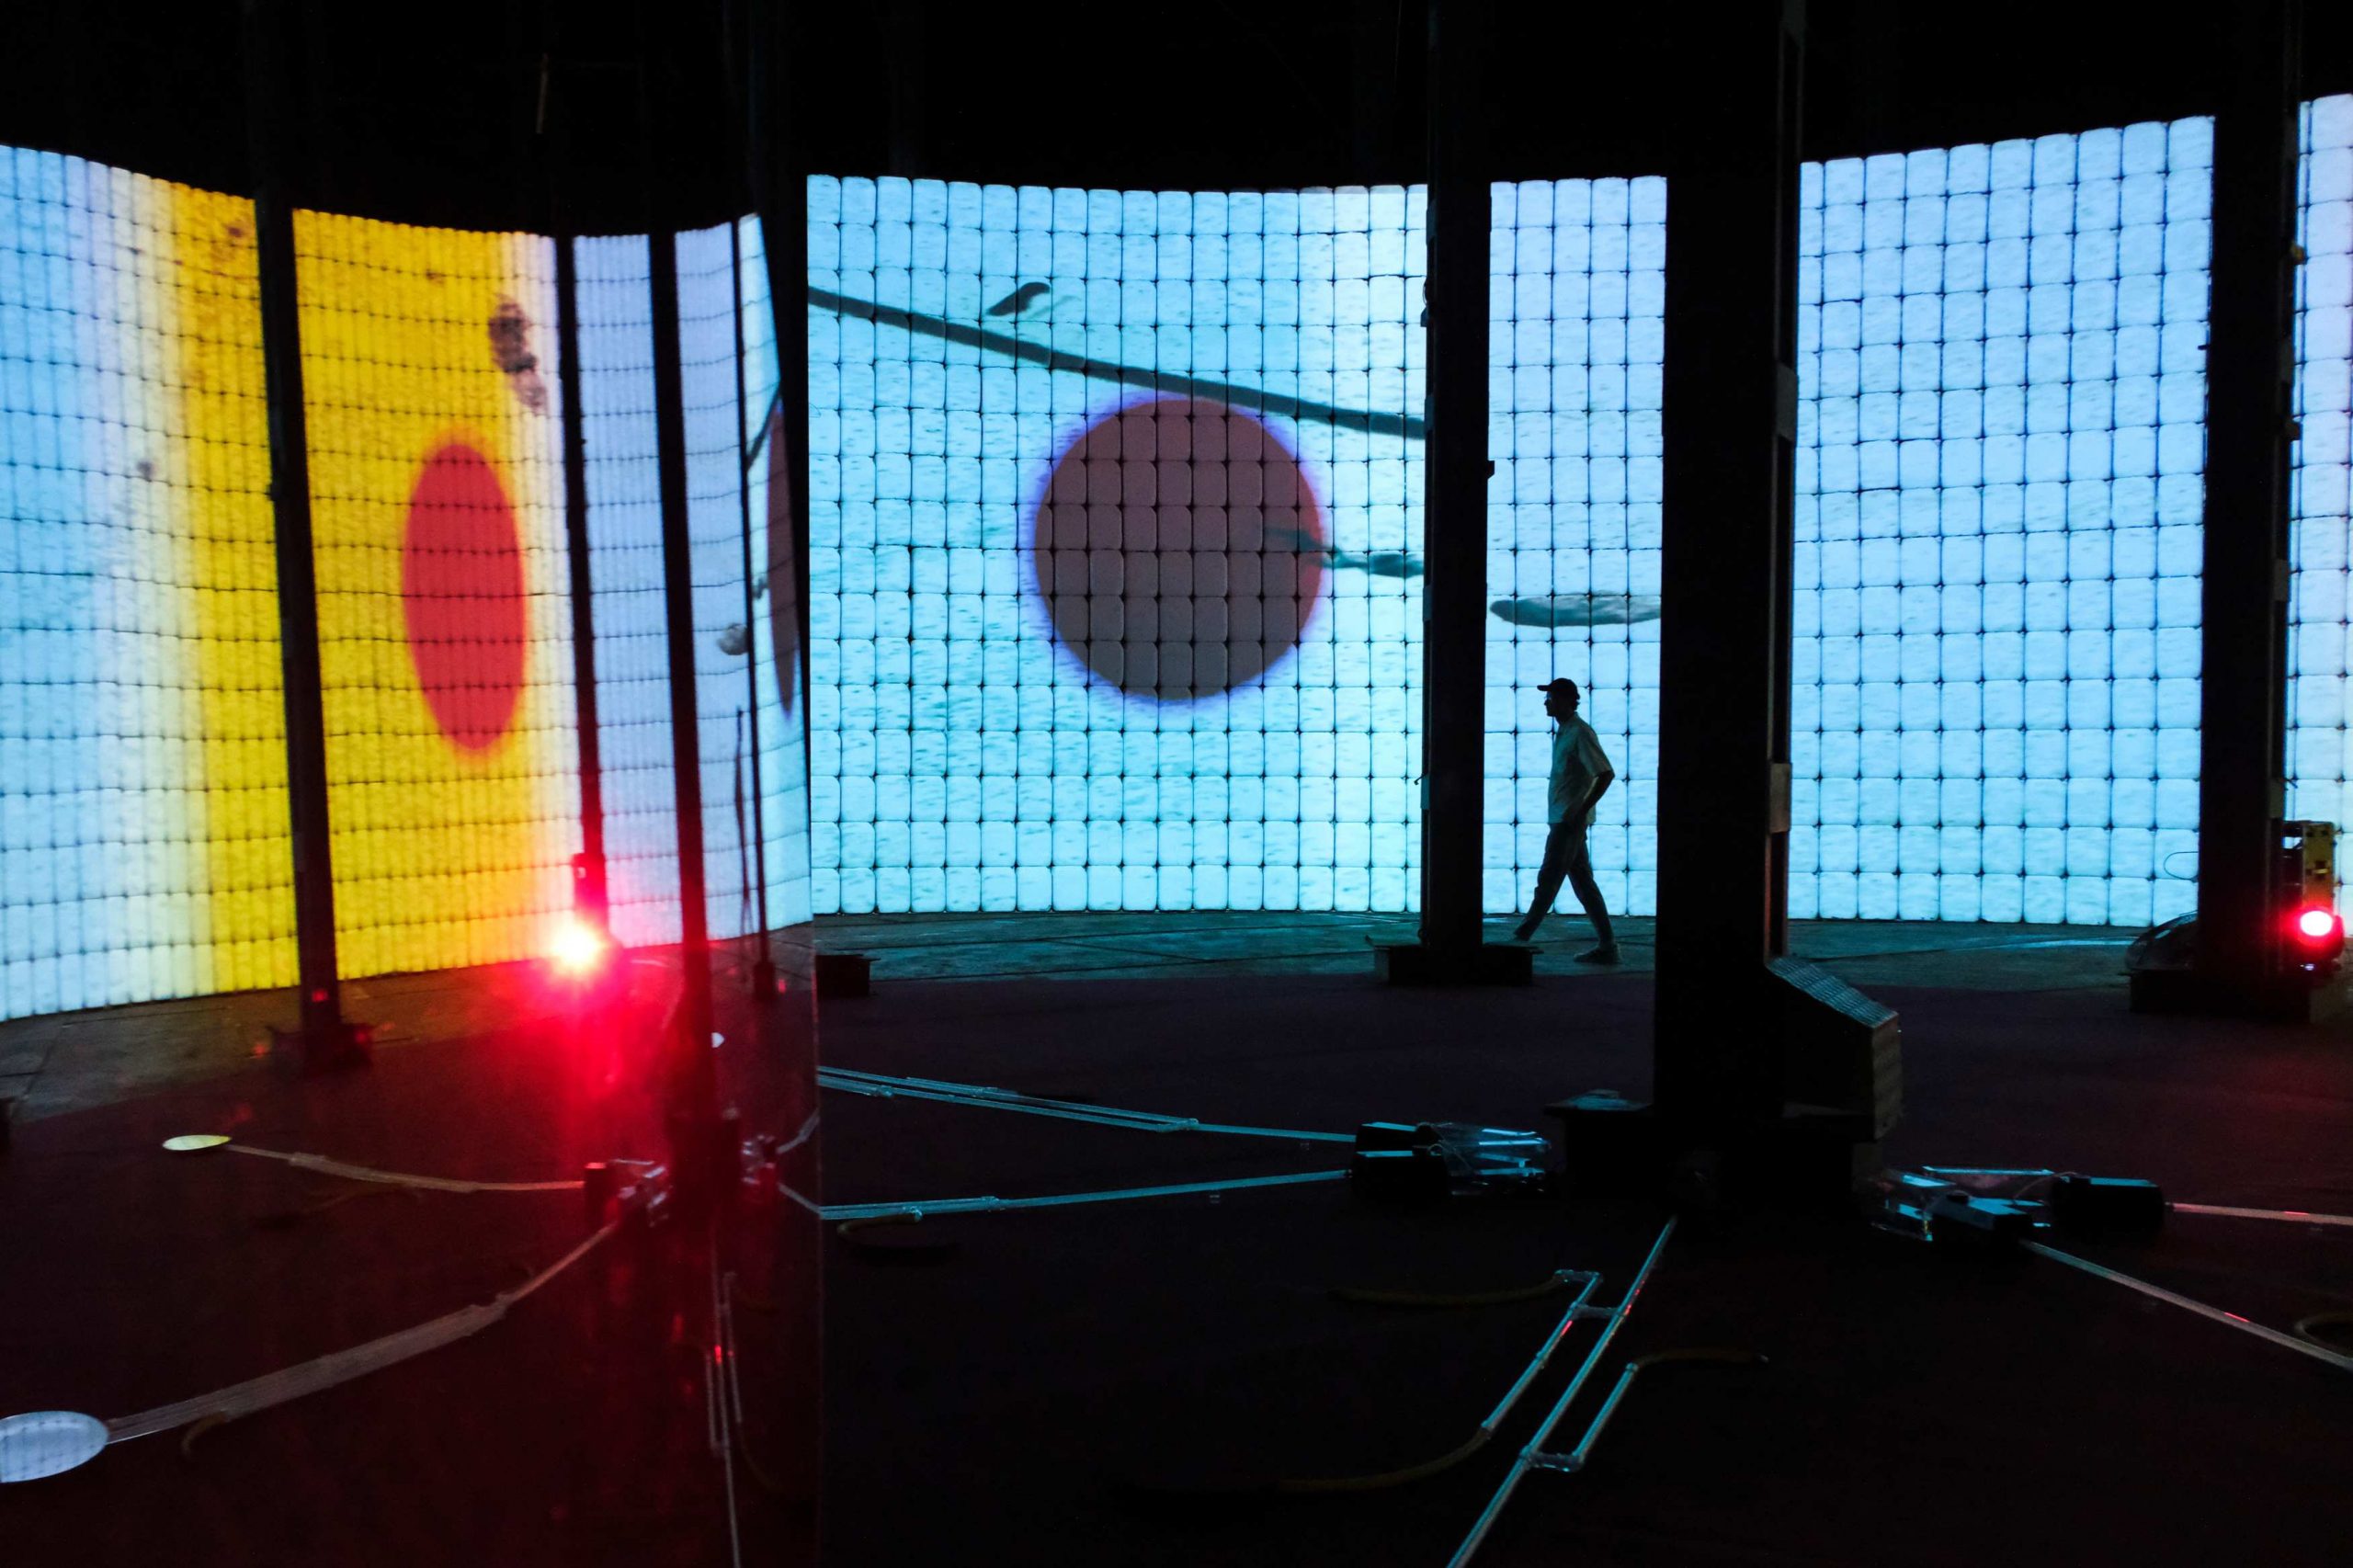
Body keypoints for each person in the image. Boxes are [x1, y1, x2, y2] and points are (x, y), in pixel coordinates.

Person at [1513, 677, 1619, 962]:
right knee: (1583, 884)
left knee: (1549, 878)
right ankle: (1608, 946)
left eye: (1551, 698)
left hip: (1567, 821)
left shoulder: (1579, 733)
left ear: (1566, 701)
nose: (1546, 702)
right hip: (1565, 818)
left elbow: (1605, 774)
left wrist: (1580, 810)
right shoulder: (1567, 731)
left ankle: (1521, 935)